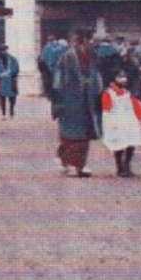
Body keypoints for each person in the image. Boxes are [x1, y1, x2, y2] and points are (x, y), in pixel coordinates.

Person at [53, 32, 103, 177]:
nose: (94, 43)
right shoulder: (68, 56)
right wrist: (58, 98)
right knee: (70, 135)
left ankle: (79, 166)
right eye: (92, 40)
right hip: (69, 100)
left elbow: (96, 75)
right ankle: (69, 162)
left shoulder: (92, 56)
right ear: (84, 40)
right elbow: (59, 78)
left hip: (86, 101)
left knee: (84, 135)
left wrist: (96, 90)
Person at [101, 71, 141, 177]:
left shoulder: (128, 93)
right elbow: (106, 111)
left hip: (129, 123)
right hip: (116, 123)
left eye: (124, 77)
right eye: (120, 77)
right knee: (118, 146)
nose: (123, 79)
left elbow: (136, 107)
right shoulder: (108, 93)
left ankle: (126, 166)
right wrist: (109, 125)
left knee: (131, 144)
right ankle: (120, 167)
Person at [0, 44, 20, 118]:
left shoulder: (12, 59)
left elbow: (16, 69)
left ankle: (11, 112)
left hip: (11, 81)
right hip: (1, 81)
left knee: (12, 98)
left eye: (5, 50)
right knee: (2, 98)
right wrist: (0, 74)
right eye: (2, 50)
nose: (4, 52)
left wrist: (10, 72)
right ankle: (3, 114)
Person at [38, 33, 70, 105]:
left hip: (51, 72)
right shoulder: (62, 47)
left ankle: (54, 105)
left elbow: (42, 59)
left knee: (53, 90)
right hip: (59, 71)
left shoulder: (47, 47)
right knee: (58, 89)